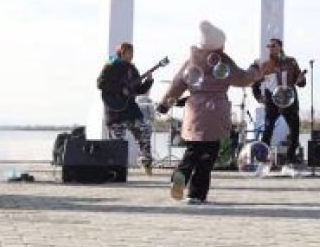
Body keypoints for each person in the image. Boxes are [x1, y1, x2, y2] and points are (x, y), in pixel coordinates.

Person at [160, 21, 263, 204]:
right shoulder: (223, 62)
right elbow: (243, 79)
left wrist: (164, 104)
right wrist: (255, 68)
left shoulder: (191, 62)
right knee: (208, 155)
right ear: (218, 44)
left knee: (193, 149)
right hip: (216, 111)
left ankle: (181, 173)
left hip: (195, 110)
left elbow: (177, 83)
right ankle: (196, 194)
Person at [97, 42, 158, 175]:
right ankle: (115, 171)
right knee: (117, 142)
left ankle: (146, 163)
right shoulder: (110, 66)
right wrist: (120, 90)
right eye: (129, 53)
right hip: (115, 111)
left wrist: (148, 81)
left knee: (145, 129)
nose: (132, 56)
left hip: (131, 109)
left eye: (133, 53)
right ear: (122, 52)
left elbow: (138, 89)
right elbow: (100, 84)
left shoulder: (132, 69)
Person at [256, 37, 307, 168]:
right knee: (268, 129)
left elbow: (301, 83)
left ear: (280, 47)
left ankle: (290, 159)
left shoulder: (291, 62)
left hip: (289, 99)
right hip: (272, 101)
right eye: (269, 46)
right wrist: (258, 96)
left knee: (295, 129)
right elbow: (255, 83)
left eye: (273, 45)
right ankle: (263, 160)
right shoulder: (265, 64)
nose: (270, 48)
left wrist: (301, 79)